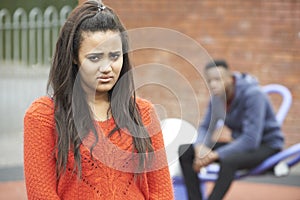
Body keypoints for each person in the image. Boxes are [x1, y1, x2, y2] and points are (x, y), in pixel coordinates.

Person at [23, 1, 174, 199]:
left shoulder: (143, 112)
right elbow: (41, 194)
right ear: (74, 57)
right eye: (95, 58)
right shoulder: (43, 116)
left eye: (114, 56)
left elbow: (161, 192)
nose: (106, 68)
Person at [178, 60, 284, 200]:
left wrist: (213, 155)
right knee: (185, 151)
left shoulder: (253, 95)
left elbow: (251, 139)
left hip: (266, 146)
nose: (213, 84)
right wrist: (200, 147)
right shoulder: (216, 98)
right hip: (242, 144)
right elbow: (206, 127)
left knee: (228, 160)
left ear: (230, 78)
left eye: (217, 79)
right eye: (209, 81)